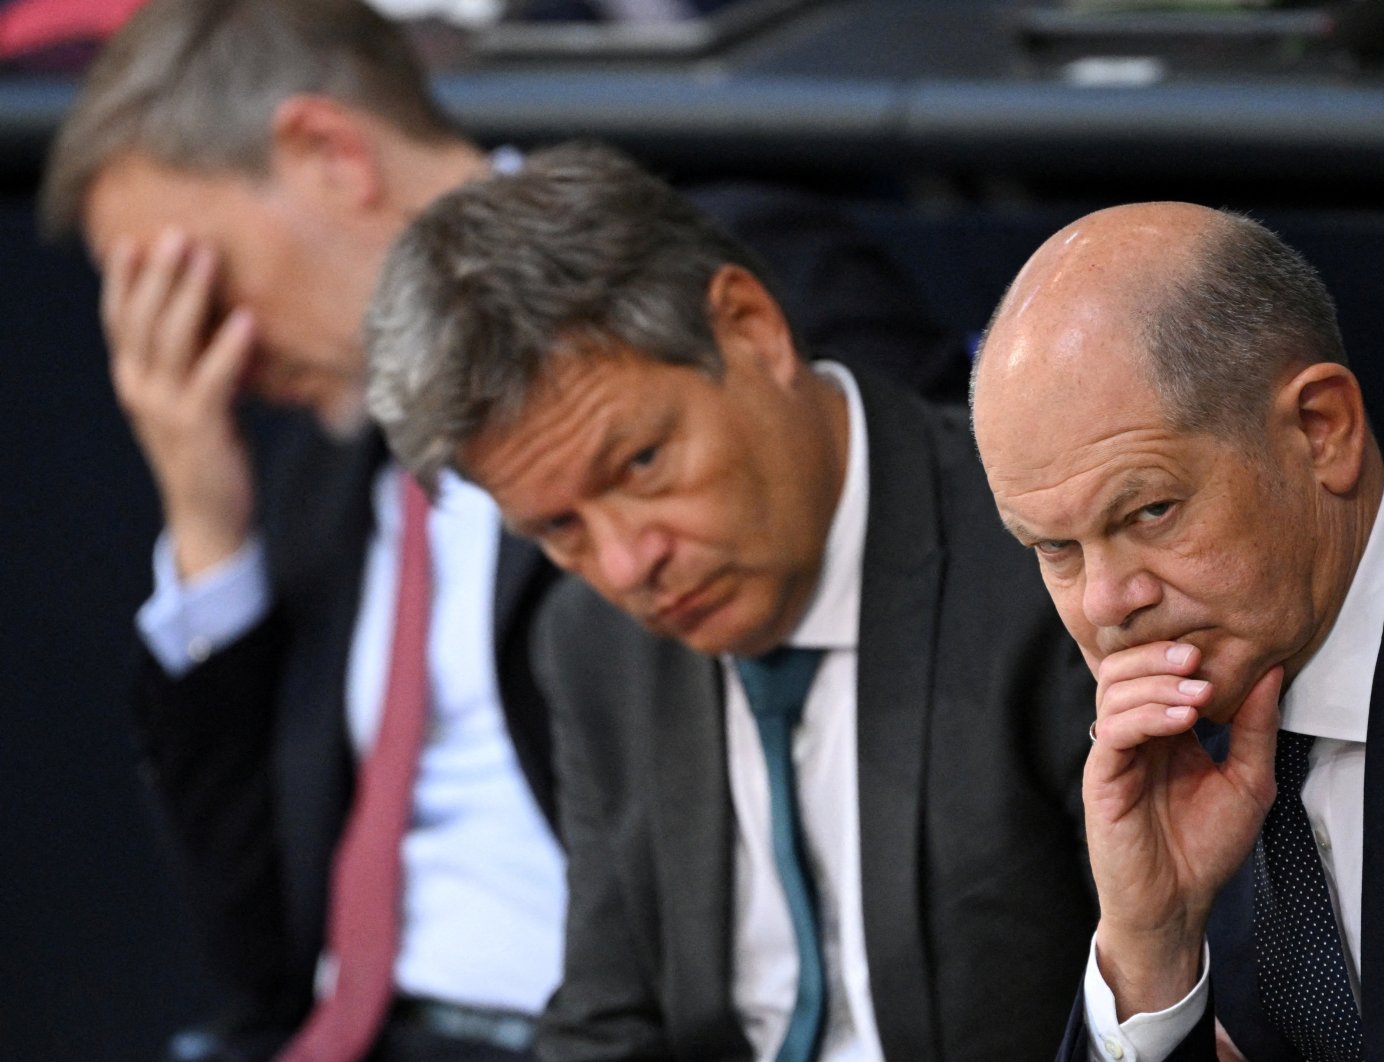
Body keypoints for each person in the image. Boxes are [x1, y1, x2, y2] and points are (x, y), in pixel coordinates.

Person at [40, 1, 967, 1059]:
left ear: (328, 154)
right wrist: (205, 523)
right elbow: (259, 952)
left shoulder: (714, 281)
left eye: (195, 282)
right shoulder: (317, 476)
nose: (198, 352)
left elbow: (957, 633)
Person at [362, 140, 1101, 1062]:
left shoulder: (1052, 564)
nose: (629, 564)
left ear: (751, 328)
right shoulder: (589, 641)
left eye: (641, 464)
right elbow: (606, 1020)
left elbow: (1175, 999)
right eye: (558, 529)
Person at [969, 201, 1384, 1061]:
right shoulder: (1155, 743)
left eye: (1151, 510)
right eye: (1055, 548)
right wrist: (1151, 950)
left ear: (1320, 430)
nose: (1109, 603)